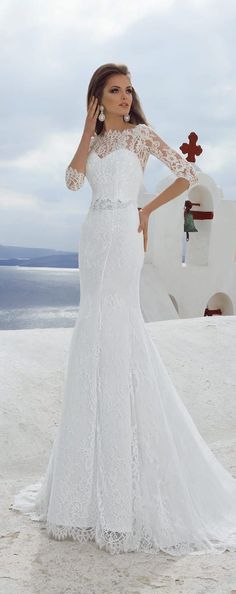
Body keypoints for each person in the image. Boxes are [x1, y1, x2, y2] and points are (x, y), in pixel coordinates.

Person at [11, 63, 236, 556]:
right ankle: (80, 489)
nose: (124, 97)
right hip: (92, 237)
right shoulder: (93, 143)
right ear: (97, 97)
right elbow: (73, 182)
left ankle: (123, 482)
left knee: (118, 328)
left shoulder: (141, 136)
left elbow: (187, 175)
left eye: (128, 90)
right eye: (114, 91)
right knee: (92, 331)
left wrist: (147, 211)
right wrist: (84, 131)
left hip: (124, 235)